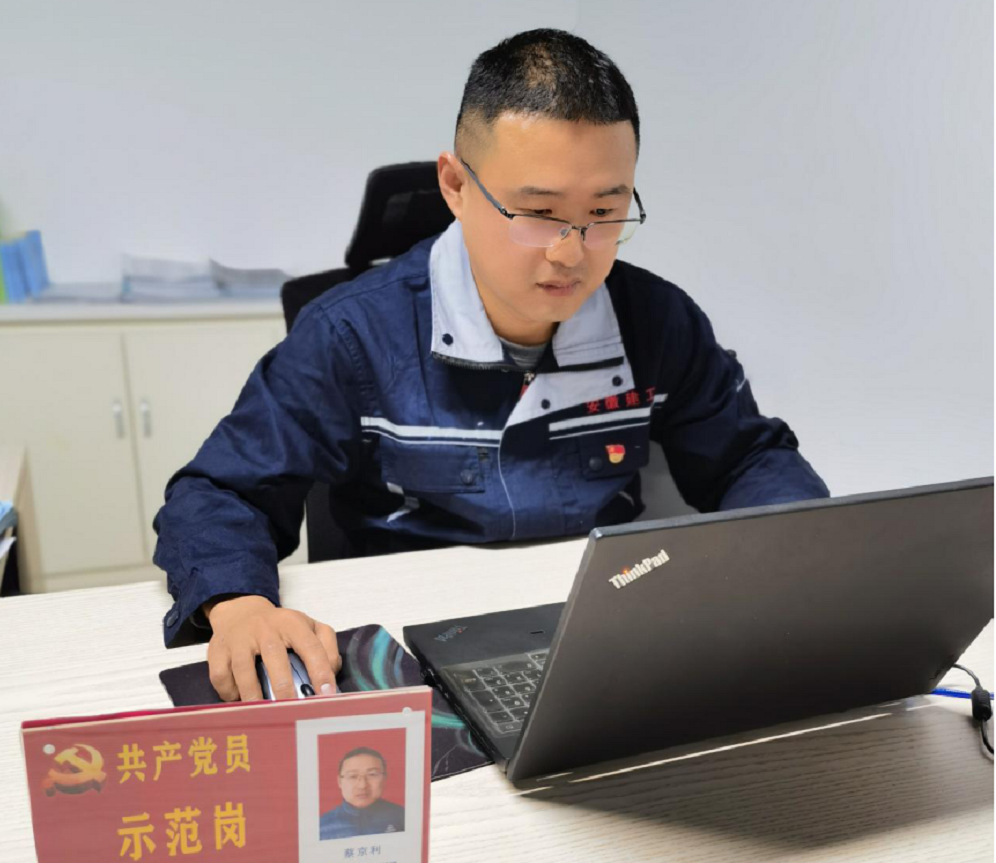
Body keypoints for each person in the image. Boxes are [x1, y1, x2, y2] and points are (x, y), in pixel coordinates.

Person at [154, 28, 829, 701]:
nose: (571, 252)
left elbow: (746, 458)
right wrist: (240, 604)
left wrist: (806, 557)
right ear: (455, 185)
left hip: (600, 633)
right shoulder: (352, 333)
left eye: (604, 211)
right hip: (408, 647)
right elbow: (221, 491)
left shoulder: (655, 319)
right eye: (538, 212)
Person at [319, 747, 405, 840]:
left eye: (372, 774)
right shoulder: (322, 825)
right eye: (352, 776)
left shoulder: (403, 817)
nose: (362, 785)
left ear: (384, 779)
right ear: (339, 782)